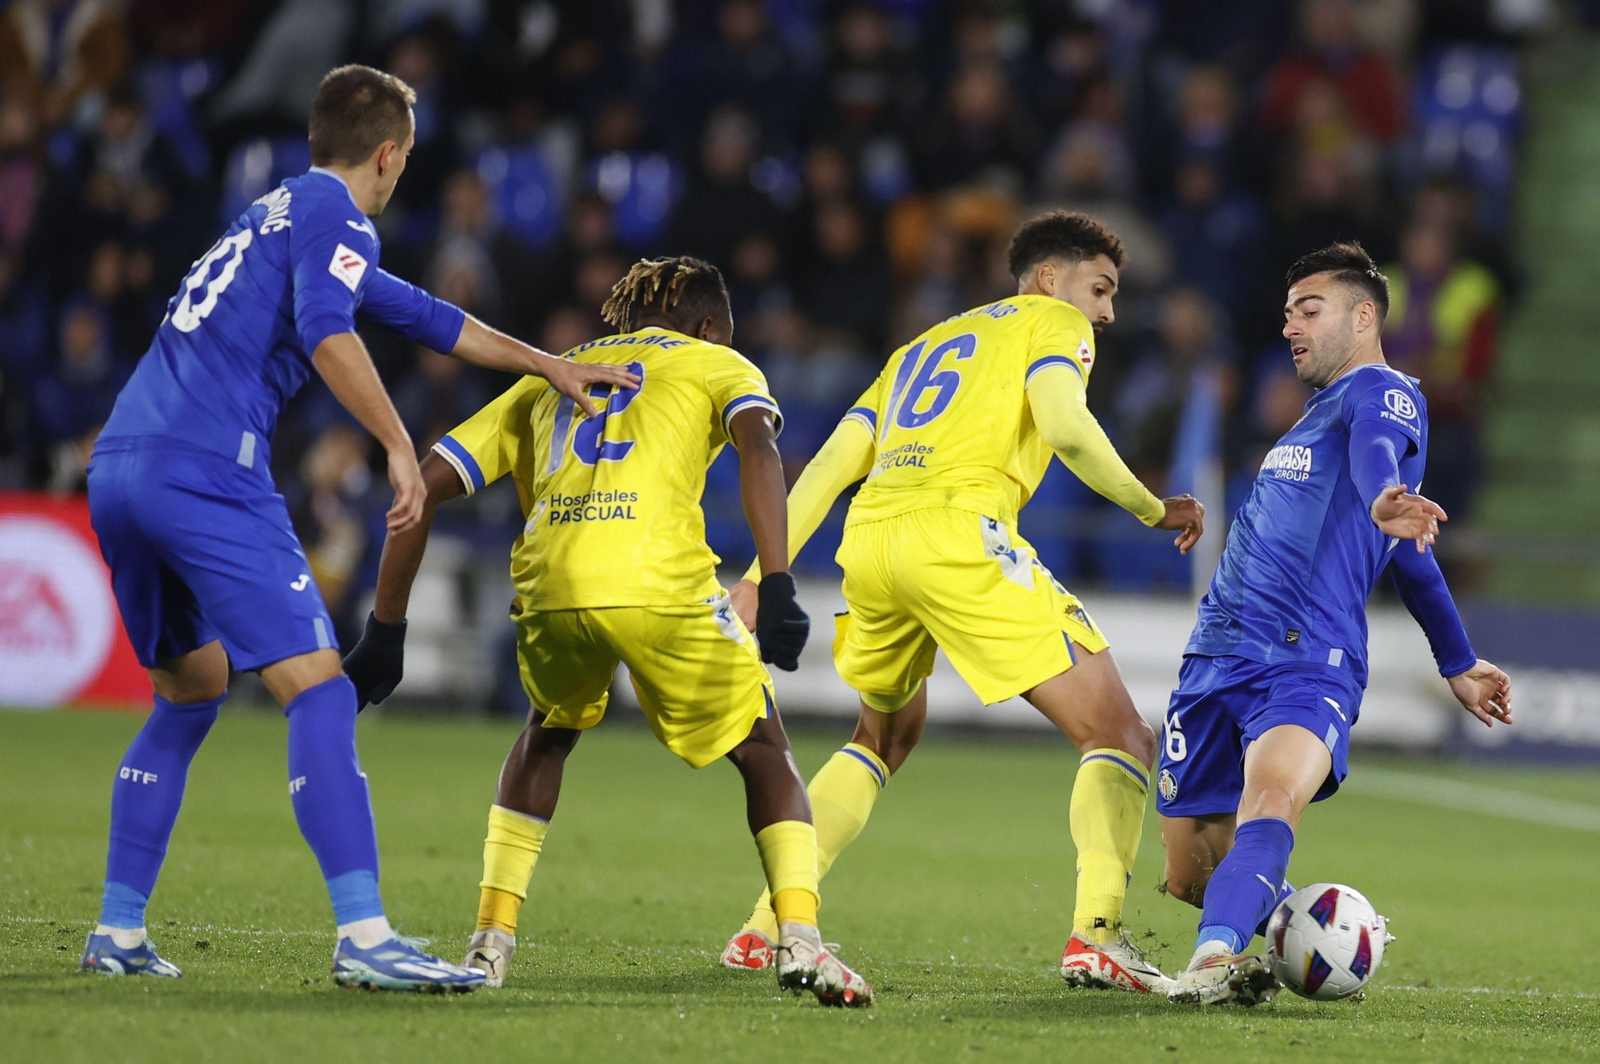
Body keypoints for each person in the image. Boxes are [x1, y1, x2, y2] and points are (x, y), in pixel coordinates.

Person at [79, 64, 636, 990]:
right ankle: (365, 934)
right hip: (210, 468)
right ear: (387, 154)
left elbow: (420, 313)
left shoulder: (272, 214)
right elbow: (331, 330)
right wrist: (394, 444)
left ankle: (118, 930)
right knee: (323, 694)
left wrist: (548, 365)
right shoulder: (340, 215)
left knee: (190, 688)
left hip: (123, 465)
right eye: (404, 160)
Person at [342, 256, 873, 1007]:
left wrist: (385, 626)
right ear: (711, 325)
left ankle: (490, 945)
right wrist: (778, 581)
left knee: (546, 731)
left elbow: (419, 487)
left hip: (551, 582)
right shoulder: (718, 361)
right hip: (657, 580)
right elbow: (761, 447)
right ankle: (801, 942)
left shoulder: (547, 372)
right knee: (762, 745)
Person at [716, 210, 1206, 994]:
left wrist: (759, 575)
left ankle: (766, 925)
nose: (1108, 313)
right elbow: (1066, 425)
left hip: (872, 540)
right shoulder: (1052, 322)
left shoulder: (924, 346)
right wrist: (1152, 506)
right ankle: (1099, 936)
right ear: (1051, 279)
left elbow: (832, 464)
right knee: (1119, 732)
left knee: (882, 733)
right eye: (1101, 289)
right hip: (957, 535)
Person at [1157, 243, 1513, 1005]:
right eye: (1286, 314)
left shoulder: (1381, 393)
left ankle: (1212, 964)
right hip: (1216, 653)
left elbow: (1381, 459)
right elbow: (1409, 558)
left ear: (1362, 315)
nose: (1291, 327)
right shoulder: (1312, 420)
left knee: (1272, 796)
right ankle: (1321, 929)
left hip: (1304, 656)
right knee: (1189, 873)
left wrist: (1386, 492)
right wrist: (1459, 661)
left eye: (1308, 311)